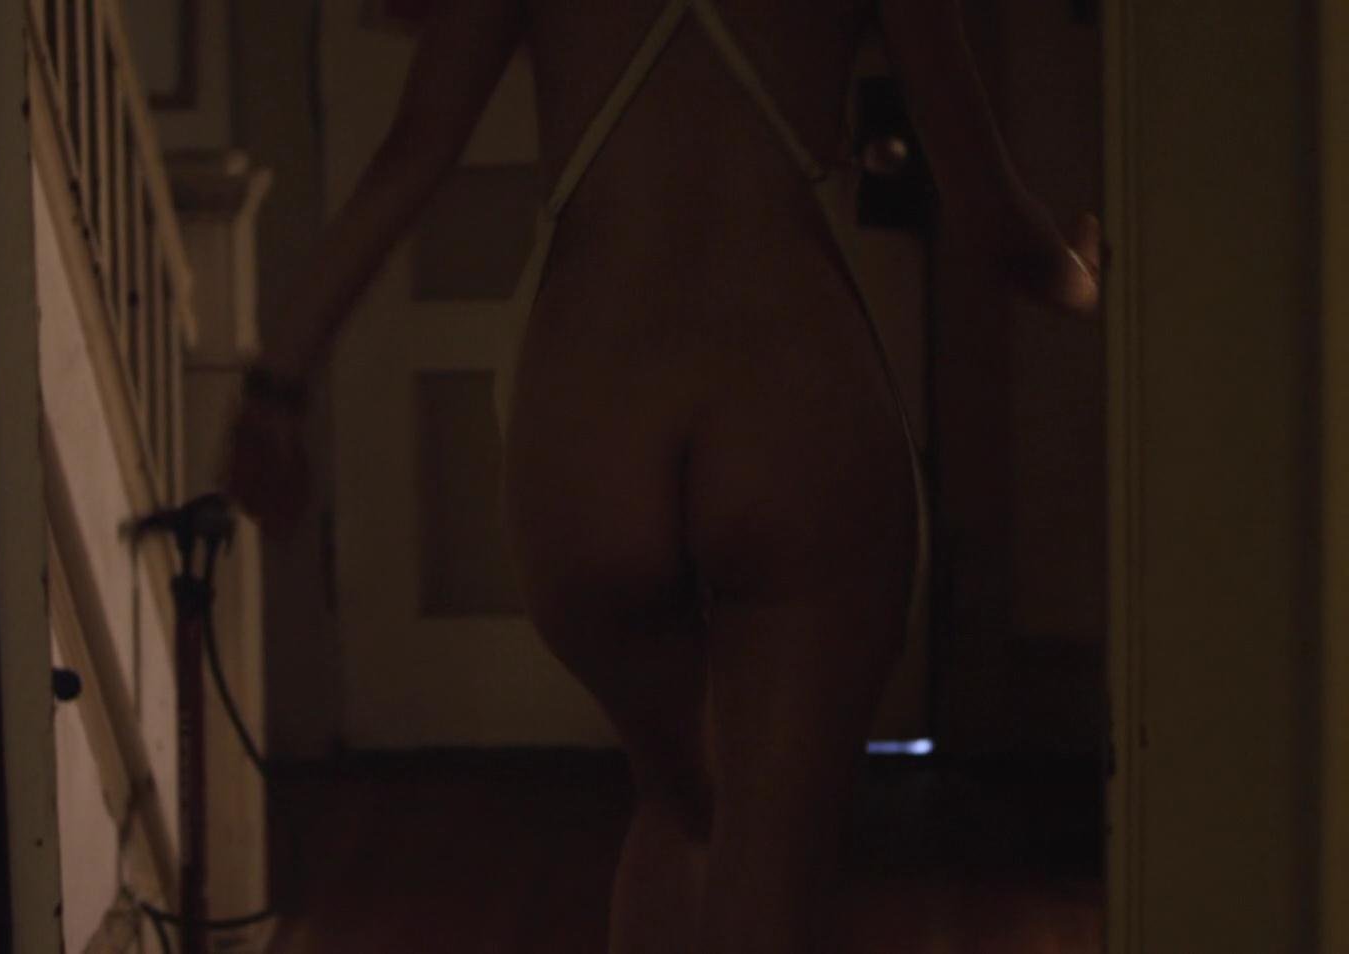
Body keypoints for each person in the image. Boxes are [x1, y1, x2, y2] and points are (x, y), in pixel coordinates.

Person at [221, 0, 1102, 950]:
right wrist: (1088, 275)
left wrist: (276, 390)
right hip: (792, 401)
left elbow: (408, 160)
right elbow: (996, 223)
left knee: (683, 806)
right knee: (767, 847)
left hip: (590, 421)